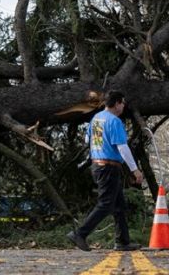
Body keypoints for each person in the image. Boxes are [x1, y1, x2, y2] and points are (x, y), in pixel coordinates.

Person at [66, 91, 144, 252]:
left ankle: (122, 241)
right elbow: (122, 147)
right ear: (116, 103)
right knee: (106, 204)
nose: (123, 106)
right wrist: (135, 170)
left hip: (98, 165)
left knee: (119, 205)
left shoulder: (96, 118)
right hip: (108, 166)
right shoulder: (114, 121)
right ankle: (80, 233)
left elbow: (88, 140)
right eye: (122, 102)